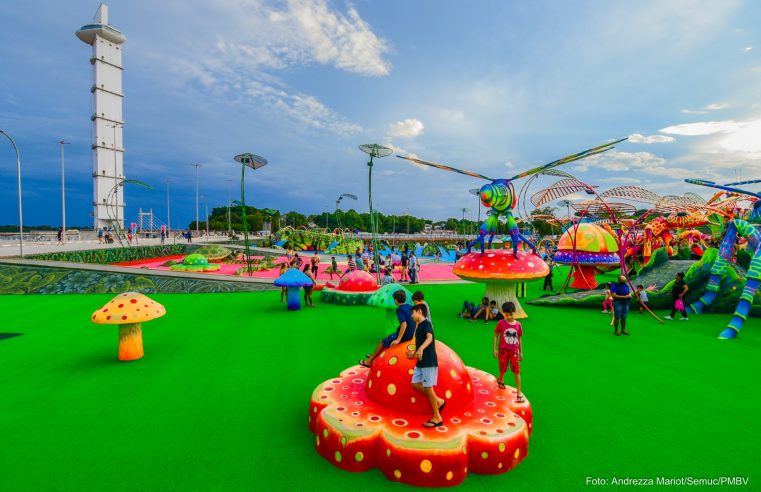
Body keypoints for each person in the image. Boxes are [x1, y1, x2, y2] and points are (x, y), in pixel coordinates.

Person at [407, 304, 445, 428]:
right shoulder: (419, 327)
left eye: (413, 313)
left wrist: (422, 348)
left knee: (428, 387)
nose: (412, 316)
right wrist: (414, 353)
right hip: (420, 362)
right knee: (415, 384)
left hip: (428, 361)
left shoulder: (427, 324)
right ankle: (438, 401)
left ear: (419, 311)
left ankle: (437, 417)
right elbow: (420, 346)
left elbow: (430, 338)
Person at [360, 290, 414, 367]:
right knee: (386, 341)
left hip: (404, 335)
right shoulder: (410, 306)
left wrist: (398, 339)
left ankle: (369, 361)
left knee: (381, 342)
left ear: (395, 300)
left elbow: (404, 324)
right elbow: (415, 320)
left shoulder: (400, 309)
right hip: (410, 334)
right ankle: (376, 356)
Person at [493, 302, 524, 402]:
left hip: (514, 352)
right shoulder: (501, 323)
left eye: (511, 314)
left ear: (514, 313)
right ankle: (501, 378)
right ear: (503, 313)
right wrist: (495, 349)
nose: (509, 317)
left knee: (516, 371)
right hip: (503, 351)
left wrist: (521, 352)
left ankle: (519, 392)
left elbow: (519, 338)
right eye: (506, 315)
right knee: (503, 368)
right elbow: (496, 335)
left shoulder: (518, 325)